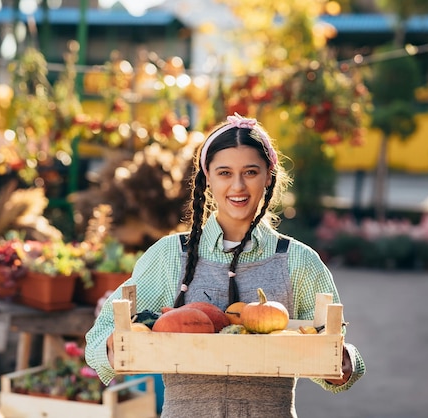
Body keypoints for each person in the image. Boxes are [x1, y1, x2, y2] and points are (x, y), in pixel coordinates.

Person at [85, 113, 365, 417]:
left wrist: (345, 362)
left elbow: (332, 360)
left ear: (269, 176)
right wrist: (116, 346)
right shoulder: (168, 255)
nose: (237, 186)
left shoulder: (298, 260)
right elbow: (98, 340)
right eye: (224, 173)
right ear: (207, 178)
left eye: (250, 172)